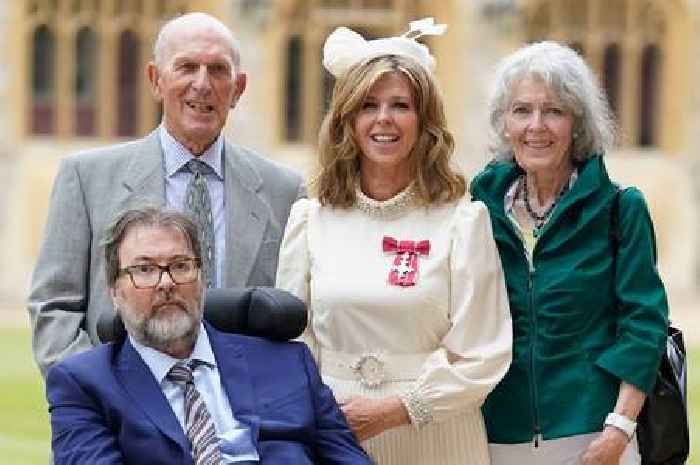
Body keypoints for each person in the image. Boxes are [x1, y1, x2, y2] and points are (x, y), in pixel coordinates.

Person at [275, 20, 512, 465]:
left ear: (424, 122)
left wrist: (398, 410)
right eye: (368, 105)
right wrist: (322, 413)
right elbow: (292, 343)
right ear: (347, 120)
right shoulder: (311, 218)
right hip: (335, 432)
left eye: (400, 105)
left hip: (437, 435)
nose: (383, 119)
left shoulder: (463, 220)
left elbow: (484, 352)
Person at [28, 12, 304, 376]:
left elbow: (294, 317)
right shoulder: (86, 178)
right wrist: (100, 394)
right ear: (156, 80)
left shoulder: (284, 191)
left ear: (238, 89)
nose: (202, 84)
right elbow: (54, 308)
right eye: (187, 67)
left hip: (242, 414)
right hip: (121, 413)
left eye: (218, 70)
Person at [470, 41, 669, 465]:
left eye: (554, 111)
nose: (536, 126)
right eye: (522, 110)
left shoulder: (620, 207)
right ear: (504, 123)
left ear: (577, 123)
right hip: (496, 434)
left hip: (595, 435)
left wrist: (619, 428)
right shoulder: (477, 208)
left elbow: (643, 323)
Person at [46, 206, 371, 465]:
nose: (166, 283)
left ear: (201, 279)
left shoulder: (287, 361)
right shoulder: (84, 383)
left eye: (180, 265)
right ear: (115, 292)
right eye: (144, 269)